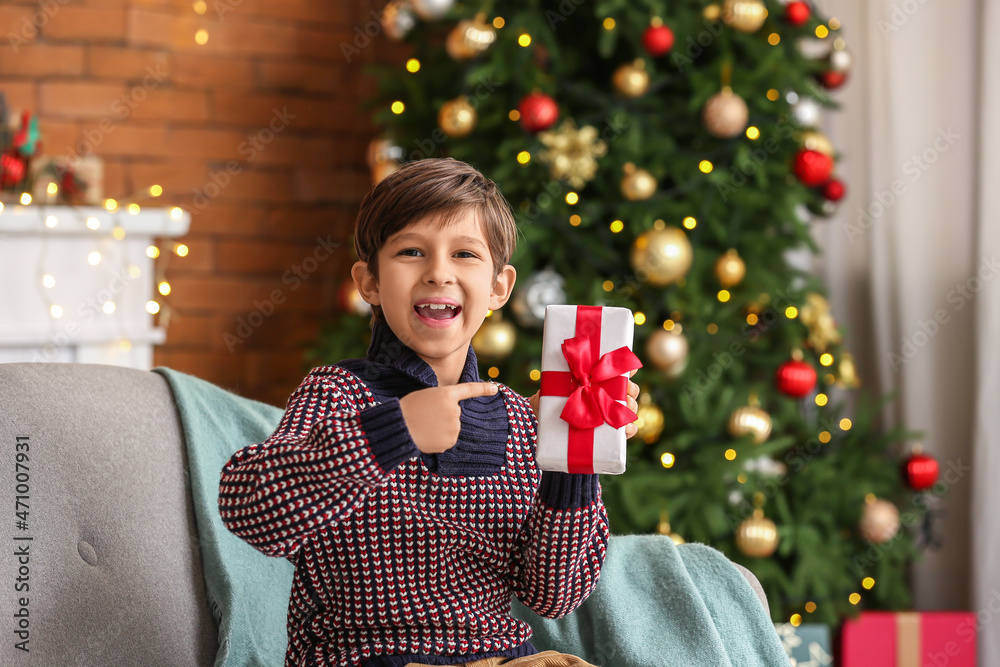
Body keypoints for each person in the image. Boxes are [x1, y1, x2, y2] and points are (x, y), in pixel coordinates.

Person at [219, 158, 640, 667]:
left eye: (465, 254)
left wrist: (572, 461)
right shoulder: (340, 394)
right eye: (411, 251)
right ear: (369, 282)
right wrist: (393, 432)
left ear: (499, 288)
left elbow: (555, 595)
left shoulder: (517, 417)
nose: (438, 271)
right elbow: (253, 511)